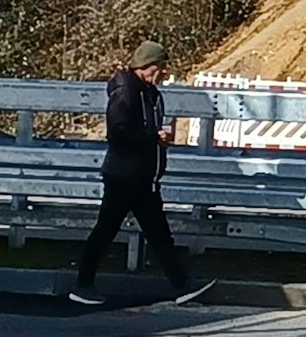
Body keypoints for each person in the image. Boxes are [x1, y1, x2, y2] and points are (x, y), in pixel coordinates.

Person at [69, 41, 213, 306]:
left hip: (140, 176)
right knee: (112, 230)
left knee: (154, 232)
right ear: (150, 67)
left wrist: (154, 140)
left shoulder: (146, 92)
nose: (165, 73)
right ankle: (83, 284)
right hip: (126, 176)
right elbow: (118, 132)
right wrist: (152, 136)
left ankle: (181, 285)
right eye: (162, 68)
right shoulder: (127, 93)